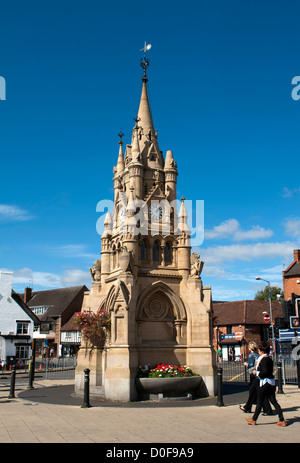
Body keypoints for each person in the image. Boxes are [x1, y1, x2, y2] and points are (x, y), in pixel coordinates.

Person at [244, 342, 286, 426]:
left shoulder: (264, 360)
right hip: (271, 382)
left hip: (265, 383)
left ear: (262, 351)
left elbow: (265, 372)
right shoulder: (269, 359)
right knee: (274, 401)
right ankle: (282, 419)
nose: (258, 351)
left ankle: (254, 419)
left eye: (259, 350)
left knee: (259, 402)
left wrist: (256, 373)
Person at [239, 341, 272, 415]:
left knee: (254, 392)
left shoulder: (251, 355)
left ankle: (249, 408)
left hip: (255, 375)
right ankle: (249, 407)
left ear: (250, 348)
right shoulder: (257, 354)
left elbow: (250, 365)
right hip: (259, 375)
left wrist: (246, 364)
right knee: (256, 392)